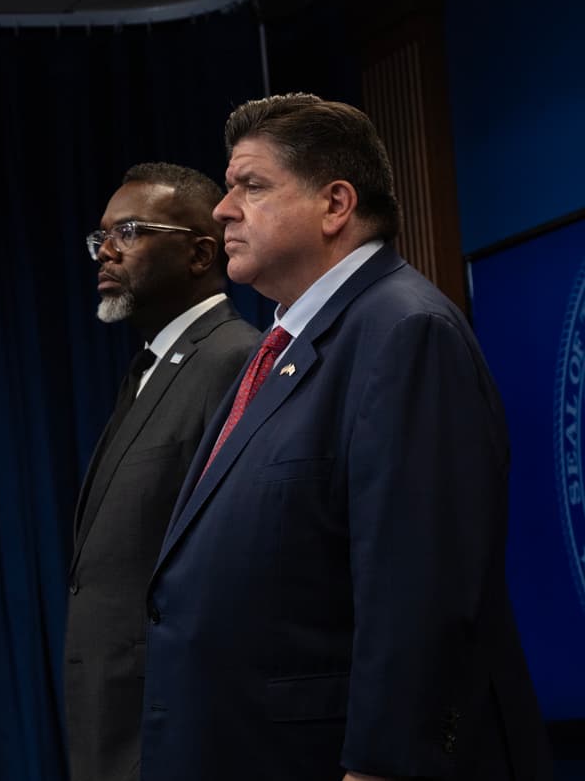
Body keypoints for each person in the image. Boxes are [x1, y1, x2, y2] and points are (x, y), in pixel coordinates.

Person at [139, 94, 552, 780]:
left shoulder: (404, 331)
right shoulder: (278, 351)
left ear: (336, 205)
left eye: (252, 184)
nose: (222, 208)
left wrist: (383, 763)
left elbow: (421, 586)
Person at [65, 163, 258, 781]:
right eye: (102, 237)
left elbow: (237, 561)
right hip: (115, 721)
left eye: (128, 231)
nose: (106, 253)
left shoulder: (235, 360)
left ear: (201, 253)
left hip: (175, 727)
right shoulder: (148, 368)